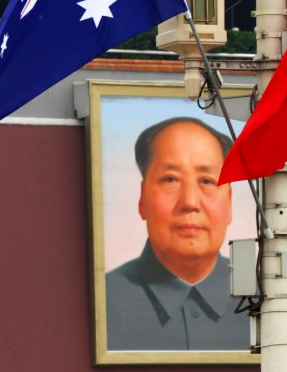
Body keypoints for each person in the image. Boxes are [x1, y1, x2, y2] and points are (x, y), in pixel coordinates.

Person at [105, 117, 248, 351]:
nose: (190, 202)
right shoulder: (105, 297)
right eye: (170, 179)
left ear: (229, 202)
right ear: (142, 199)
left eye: (206, 180)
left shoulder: (264, 298)